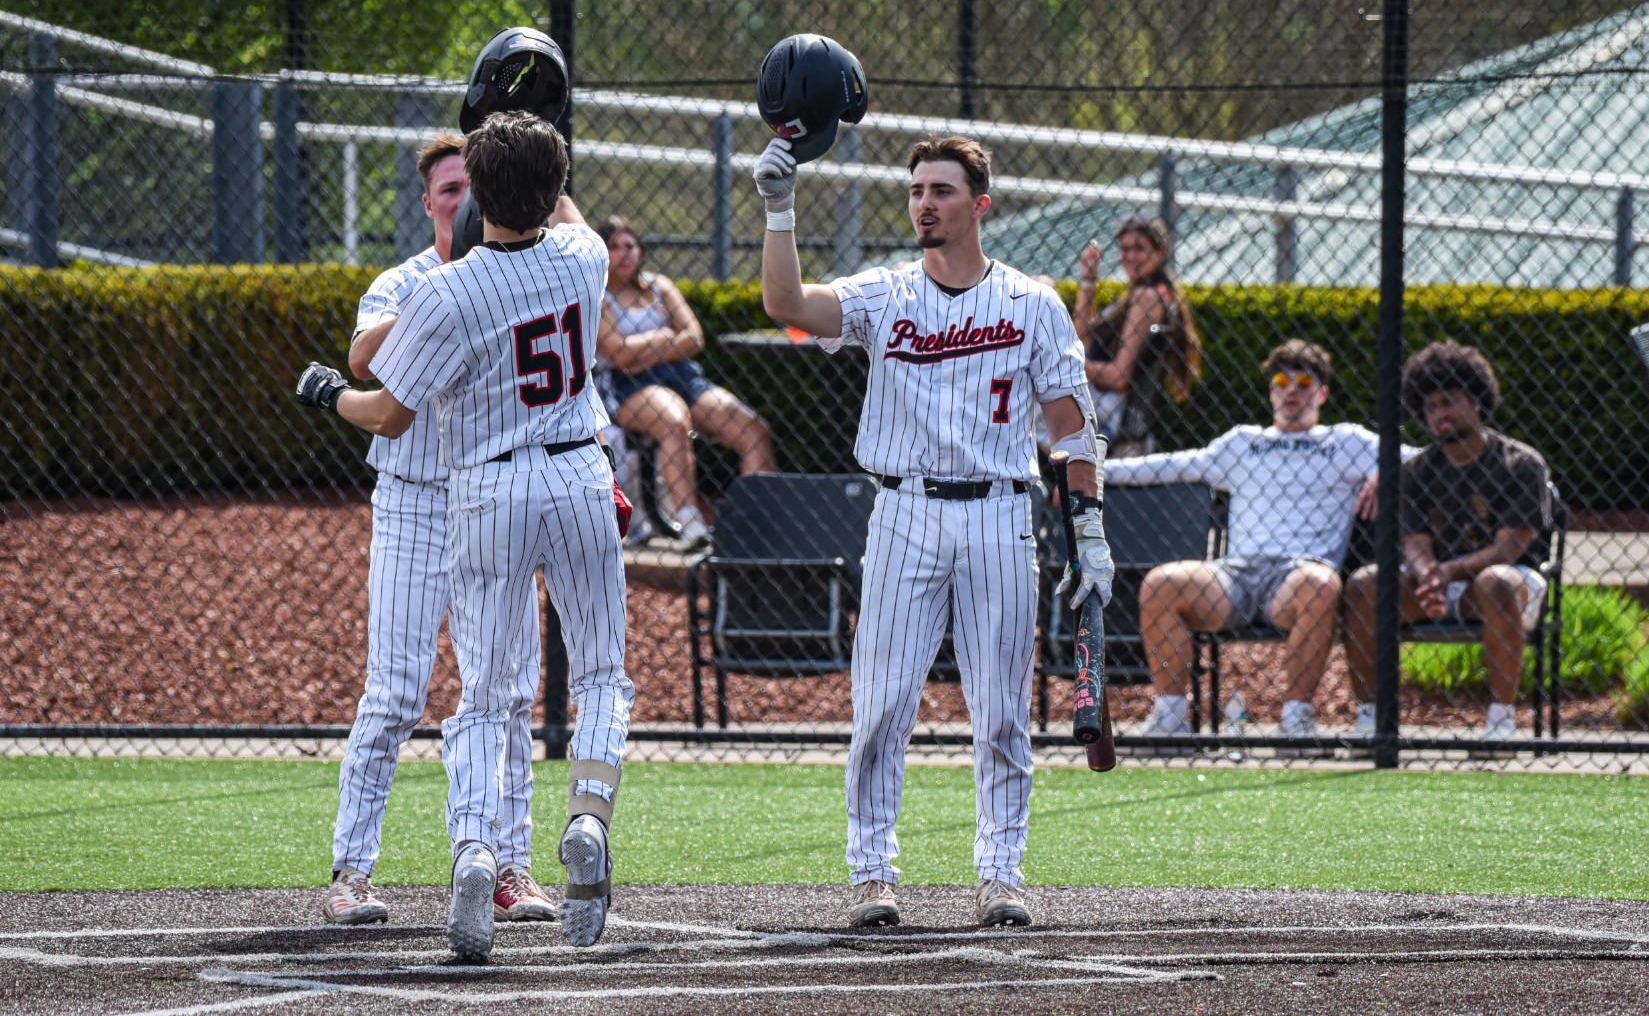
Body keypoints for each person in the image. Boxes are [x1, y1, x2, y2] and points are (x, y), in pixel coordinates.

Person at [753, 132, 1113, 929]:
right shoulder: (886, 294)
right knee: (881, 704)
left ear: (979, 205)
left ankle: (1001, 873)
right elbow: (788, 305)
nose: (925, 203)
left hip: (997, 512)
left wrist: (1090, 533)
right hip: (903, 511)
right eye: (917, 190)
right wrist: (780, 210)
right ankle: (872, 873)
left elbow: (1072, 427)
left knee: (1003, 710)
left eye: (942, 191)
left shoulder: (1031, 302)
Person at [297, 111, 633, 960]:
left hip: (487, 487)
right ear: (557, 188)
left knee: (488, 694)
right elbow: (567, 213)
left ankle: (480, 851)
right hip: (573, 473)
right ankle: (586, 815)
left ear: (475, 193)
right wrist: (543, 124)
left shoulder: (447, 293)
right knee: (598, 674)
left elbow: (383, 404)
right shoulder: (583, 255)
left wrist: (327, 395)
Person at [323, 133, 554, 928]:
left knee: (507, 692)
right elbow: (362, 361)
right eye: (449, 189)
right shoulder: (405, 281)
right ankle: (352, 871)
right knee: (394, 692)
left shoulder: (524, 273)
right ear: (429, 202)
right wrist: (452, 289)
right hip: (417, 502)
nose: (462, 199)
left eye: (473, 186)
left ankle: (504, 864)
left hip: (497, 501)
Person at [1108, 340, 1404, 757]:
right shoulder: (1243, 443)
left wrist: (1387, 468)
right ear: (1271, 391)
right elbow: (1171, 464)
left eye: (1304, 382)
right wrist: (1094, 474)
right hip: (1235, 575)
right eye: (1282, 381)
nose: (1292, 391)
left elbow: (1423, 458)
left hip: (1299, 577)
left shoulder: (1346, 441)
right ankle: (1171, 722)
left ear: (1322, 393)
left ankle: (1296, 724)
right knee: (1161, 583)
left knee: (1321, 584)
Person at [1341, 341, 1551, 759]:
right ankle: (1370, 720)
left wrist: (1445, 572)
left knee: (1497, 583)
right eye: (1431, 408)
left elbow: (1509, 549)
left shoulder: (1521, 463)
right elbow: (1415, 543)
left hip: (1510, 585)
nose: (1440, 415)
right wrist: (1425, 573)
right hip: (1439, 583)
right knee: (1365, 584)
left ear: (1477, 401)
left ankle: (1500, 726)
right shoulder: (1416, 471)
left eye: (1449, 402)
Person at [597, 215, 775, 550]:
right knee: (673, 419)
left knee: (753, 429)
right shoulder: (599, 296)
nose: (624, 254)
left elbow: (694, 337)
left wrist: (644, 348)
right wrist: (666, 337)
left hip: (683, 377)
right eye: (614, 246)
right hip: (628, 387)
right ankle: (691, 523)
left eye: (630, 245)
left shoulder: (659, 286)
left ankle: (755, 529)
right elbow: (618, 355)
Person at [1070, 216, 1200, 457]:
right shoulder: (1141, 293)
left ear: (1160, 252)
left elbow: (1118, 377)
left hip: (1110, 414)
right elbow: (1082, 338)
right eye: (1124, 249)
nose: (1129, 256)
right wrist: (1088, 280)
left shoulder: (1147, 297)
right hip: (1104, 407)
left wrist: (1066, 363)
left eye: (1139, 248)